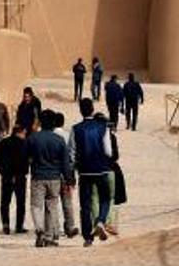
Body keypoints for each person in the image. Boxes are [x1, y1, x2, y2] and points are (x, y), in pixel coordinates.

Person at [70, 97, 119, 246]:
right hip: (101, 169)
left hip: (84, 171)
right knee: (105, 198)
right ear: (92, 109)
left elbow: (71, 153)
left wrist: (72, 171)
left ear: (81, 111)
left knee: (85, 204)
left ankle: (87, 238)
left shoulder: (75, 128)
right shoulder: (103, 127)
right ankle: (101, 221)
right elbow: (108, 151)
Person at [26, 109, 73, 247]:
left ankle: (39, 229)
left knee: (36, 206)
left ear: (40, 122)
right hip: (54, 178)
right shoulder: (59, 140)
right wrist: (69, 179)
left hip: (38, 177)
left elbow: (25, 157)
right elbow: (65, 163)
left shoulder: (33, 138)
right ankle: (49, 236)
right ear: (53, 123)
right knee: (51, 206)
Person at [50, 111, 80, 239]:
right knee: (67, 202)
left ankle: (54, 229)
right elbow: (72, 157)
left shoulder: (50, 136)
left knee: (52, 203)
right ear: (62, 122)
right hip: (66, 174)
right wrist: (71, 177)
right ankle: (70, 226)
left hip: (53, 174)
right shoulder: (68, 136)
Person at [0, 124, 28, 234]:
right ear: (21, 132)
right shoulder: (24, 144)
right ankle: (19, 226)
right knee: (20, 202)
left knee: (5, 202)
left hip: (6, 176)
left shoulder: (3, 143)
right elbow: (27, 160)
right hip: (20, 177)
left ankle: (5, 225)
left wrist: (2, 173)